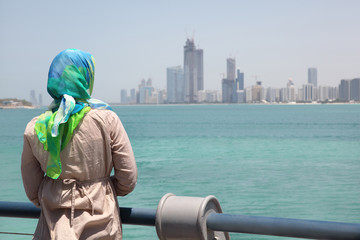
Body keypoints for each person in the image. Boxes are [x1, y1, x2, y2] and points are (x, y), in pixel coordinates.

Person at [21, 49, 137, 240]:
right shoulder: (107, 120)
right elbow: (128, 178)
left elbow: (32, 190)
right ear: (86, 79)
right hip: (102, 224)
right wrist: (101, 189)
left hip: (52, 229)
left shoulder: (36, 127)